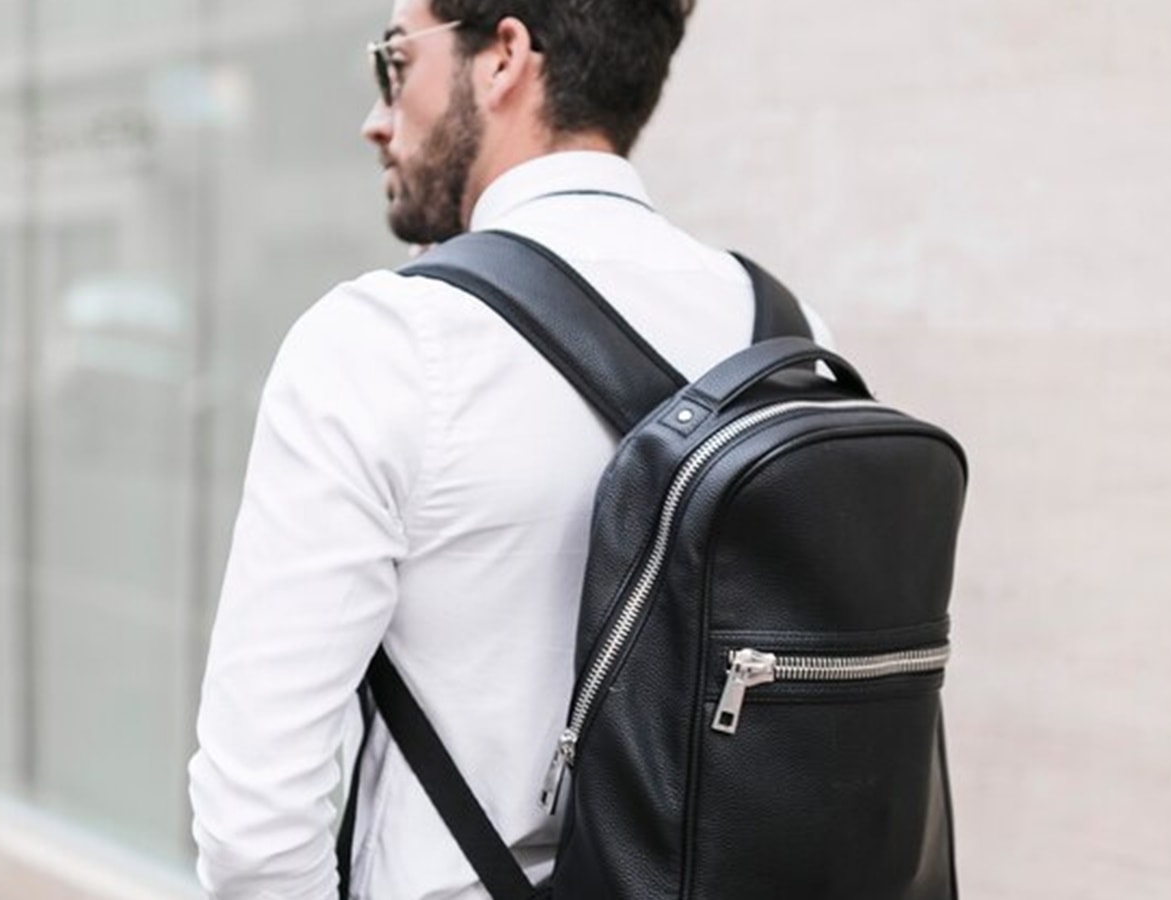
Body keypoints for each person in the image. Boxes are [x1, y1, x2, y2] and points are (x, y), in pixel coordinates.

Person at [187, 1, 831, 897]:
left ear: (503, 58)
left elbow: (254, 826)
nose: (376, 117)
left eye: (394, 62)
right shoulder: (789, 334)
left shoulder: (386, 341)